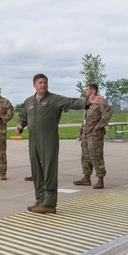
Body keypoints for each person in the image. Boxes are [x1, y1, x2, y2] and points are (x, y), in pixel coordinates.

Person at [16, 73, 104, 214]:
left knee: (49, 171)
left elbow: (70, 102)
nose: (43, 85)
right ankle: (40, 200)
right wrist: (20, 125)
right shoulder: (29, 102)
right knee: (36, 171)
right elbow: (23, 116)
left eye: (45, 82)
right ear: (34, 85)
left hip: (48, 140)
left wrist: (87, 102)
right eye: (40, 82)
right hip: (33, 141)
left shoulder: (54, 99)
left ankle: (49, 204)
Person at [73, 83, 112, 189]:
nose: (85, 91)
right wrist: (80, 131)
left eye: (87, 89)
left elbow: (107, 114)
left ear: (93, 90)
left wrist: (99, 126)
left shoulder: (100, 101)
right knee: (85, 156)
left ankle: (100, 179)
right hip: (86, 134)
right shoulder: (88, 103)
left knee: (96, 156)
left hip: (95, 135)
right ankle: (86, 177)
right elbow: (84, 118)